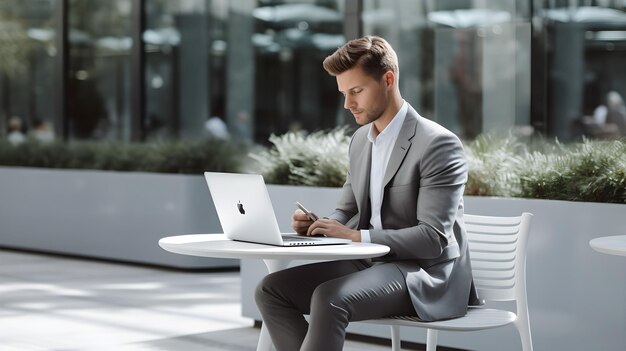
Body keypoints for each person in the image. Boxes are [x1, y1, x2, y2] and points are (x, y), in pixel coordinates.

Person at [255, 36, 480, 351]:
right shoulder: (361, 140)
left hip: (423, 273)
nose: (348, 104)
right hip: (369, 263)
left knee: (330, 298)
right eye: (343, 93)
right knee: (271, 290)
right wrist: (319, 225)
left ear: (388, 79)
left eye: (356, 91)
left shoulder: (437, 145)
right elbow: (345, 211)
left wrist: (354, 237)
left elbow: (432, 239)